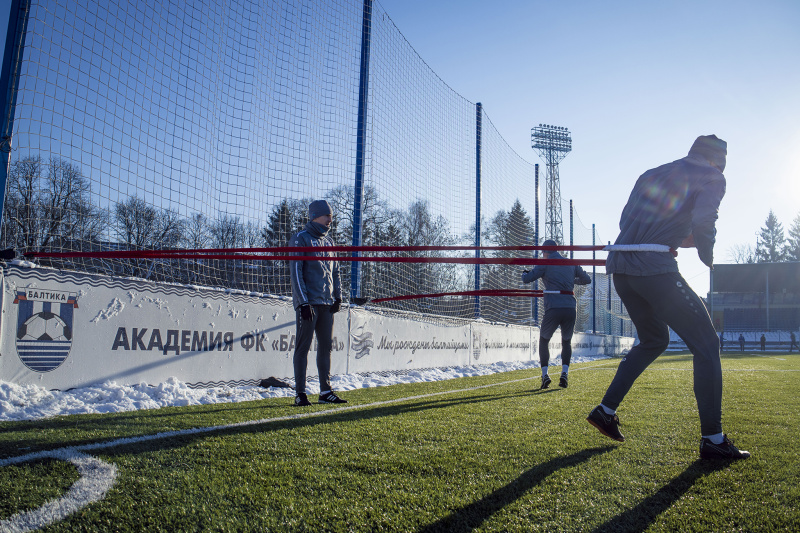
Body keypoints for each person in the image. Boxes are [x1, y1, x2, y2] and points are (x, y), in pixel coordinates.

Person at [586, 135, 750, 460]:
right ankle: (713, 440)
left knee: (653, 340)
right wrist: (707, 253)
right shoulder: (713, 175)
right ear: (719, 160)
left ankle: (605, 411)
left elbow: (628, 223)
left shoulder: (652, 173)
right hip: (654, 270)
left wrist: (676, 237)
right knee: (706, 345)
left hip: (621, 268)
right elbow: (705, 220)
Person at [289, 199, 347, 406]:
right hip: (309, 304)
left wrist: (338, 296)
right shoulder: (300, 239)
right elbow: (296, 272)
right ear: (315, 216)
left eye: (331, 216)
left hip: (326, 303)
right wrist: (303, 303)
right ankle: (300, 393)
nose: (330, 220)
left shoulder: (329, 242)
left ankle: (325, 391)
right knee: (302, 347)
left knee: (325, 347)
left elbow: (336, 271)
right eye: (327, 216)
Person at [522, 239, 592, 389]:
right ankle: (564, 374)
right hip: (570, 308)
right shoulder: (570, 263)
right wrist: (569, 281)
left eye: (542, 252)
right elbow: (587, 279)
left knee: (543, 341)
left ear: (546, 252)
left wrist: (524, 272)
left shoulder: (545, 263)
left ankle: (545, 375)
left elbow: (527, 279)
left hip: (553, 308)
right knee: (566, 341)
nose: (542, 254)